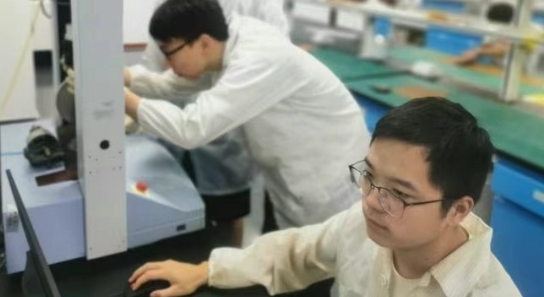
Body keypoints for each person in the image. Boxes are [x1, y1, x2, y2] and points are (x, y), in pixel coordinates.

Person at [127, 97, 522, 297]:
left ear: (458, 210)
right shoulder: (362, 227)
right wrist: (208, 270)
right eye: (369, 176)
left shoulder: (486, 291)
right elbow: (296, 252)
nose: (371, 202)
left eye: (399, 193)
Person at [124, 0, 370, 230]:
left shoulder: (256, 58)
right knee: (290, 249)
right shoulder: (224, 43)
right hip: (292, 178)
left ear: (204, 43)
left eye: (169, 52)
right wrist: (123, 77)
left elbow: (191, 129)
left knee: (326, 252)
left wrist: (124, 100)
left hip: (326, 182)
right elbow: (173, 84)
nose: (166, 63)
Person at [129, 0, 289, 241]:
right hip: (172, 133)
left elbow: (274, 66)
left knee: (227, 219)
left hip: (227, 140)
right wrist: (134, 107)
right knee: (172, 217)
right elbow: (154, 62)